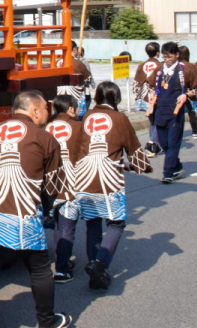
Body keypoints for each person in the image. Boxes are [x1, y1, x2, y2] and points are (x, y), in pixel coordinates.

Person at [0, 91, 73, 328]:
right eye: (46, 108)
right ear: (35, 110)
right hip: (23, 214)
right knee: (39, 269)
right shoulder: (45, 138)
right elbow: (52, 185)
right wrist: (46, 211)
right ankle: (47, 323)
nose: (48, 113)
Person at [60, 82, 151, 290]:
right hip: (109, 179)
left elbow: (76, 148)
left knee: (93, 223)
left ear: (97, 97)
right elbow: (133, 146)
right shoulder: (119, 118)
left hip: (83, 176)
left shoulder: (86, 117)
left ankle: (94, 269)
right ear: (117, 98)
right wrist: (141, 166)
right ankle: (99, 264)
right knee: (116, 223)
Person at [147, 41, 197, 184]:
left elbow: (196, 88)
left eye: (170, 57)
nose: (167, 60)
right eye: (165, 57)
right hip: (160, 109)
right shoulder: (159, 69)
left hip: (176, 110)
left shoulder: (185, 70)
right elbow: (151, 85)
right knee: (163, 143)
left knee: (173, 143)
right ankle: (177, 166)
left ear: (177, 55)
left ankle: (168, 173)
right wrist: (152, 94)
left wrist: (186, 95)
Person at [46, 93, 82, 280]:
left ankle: (62, 260)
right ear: (71, 109)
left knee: (58, 224)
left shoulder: (45, 127)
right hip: (70, 181)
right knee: (67, 226)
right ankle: (61, 269)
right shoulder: (79, 127)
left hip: (49, 183)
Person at [133, 42, 161, 156]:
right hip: (157, 96)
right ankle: (153, 144)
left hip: (145, 97)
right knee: (158, 121)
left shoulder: (141, 65)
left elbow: (136, 83)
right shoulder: (160, 65)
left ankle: (155, 144)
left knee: (152, 121)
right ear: (158, 53)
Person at [179, 45, 197, 139]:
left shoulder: (175, 66)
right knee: (192, 112)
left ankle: (178, 133)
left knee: (179, 113)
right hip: (189, 91)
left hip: (178, 92)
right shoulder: (190, 65)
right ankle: (195, 131)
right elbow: (196, 79)